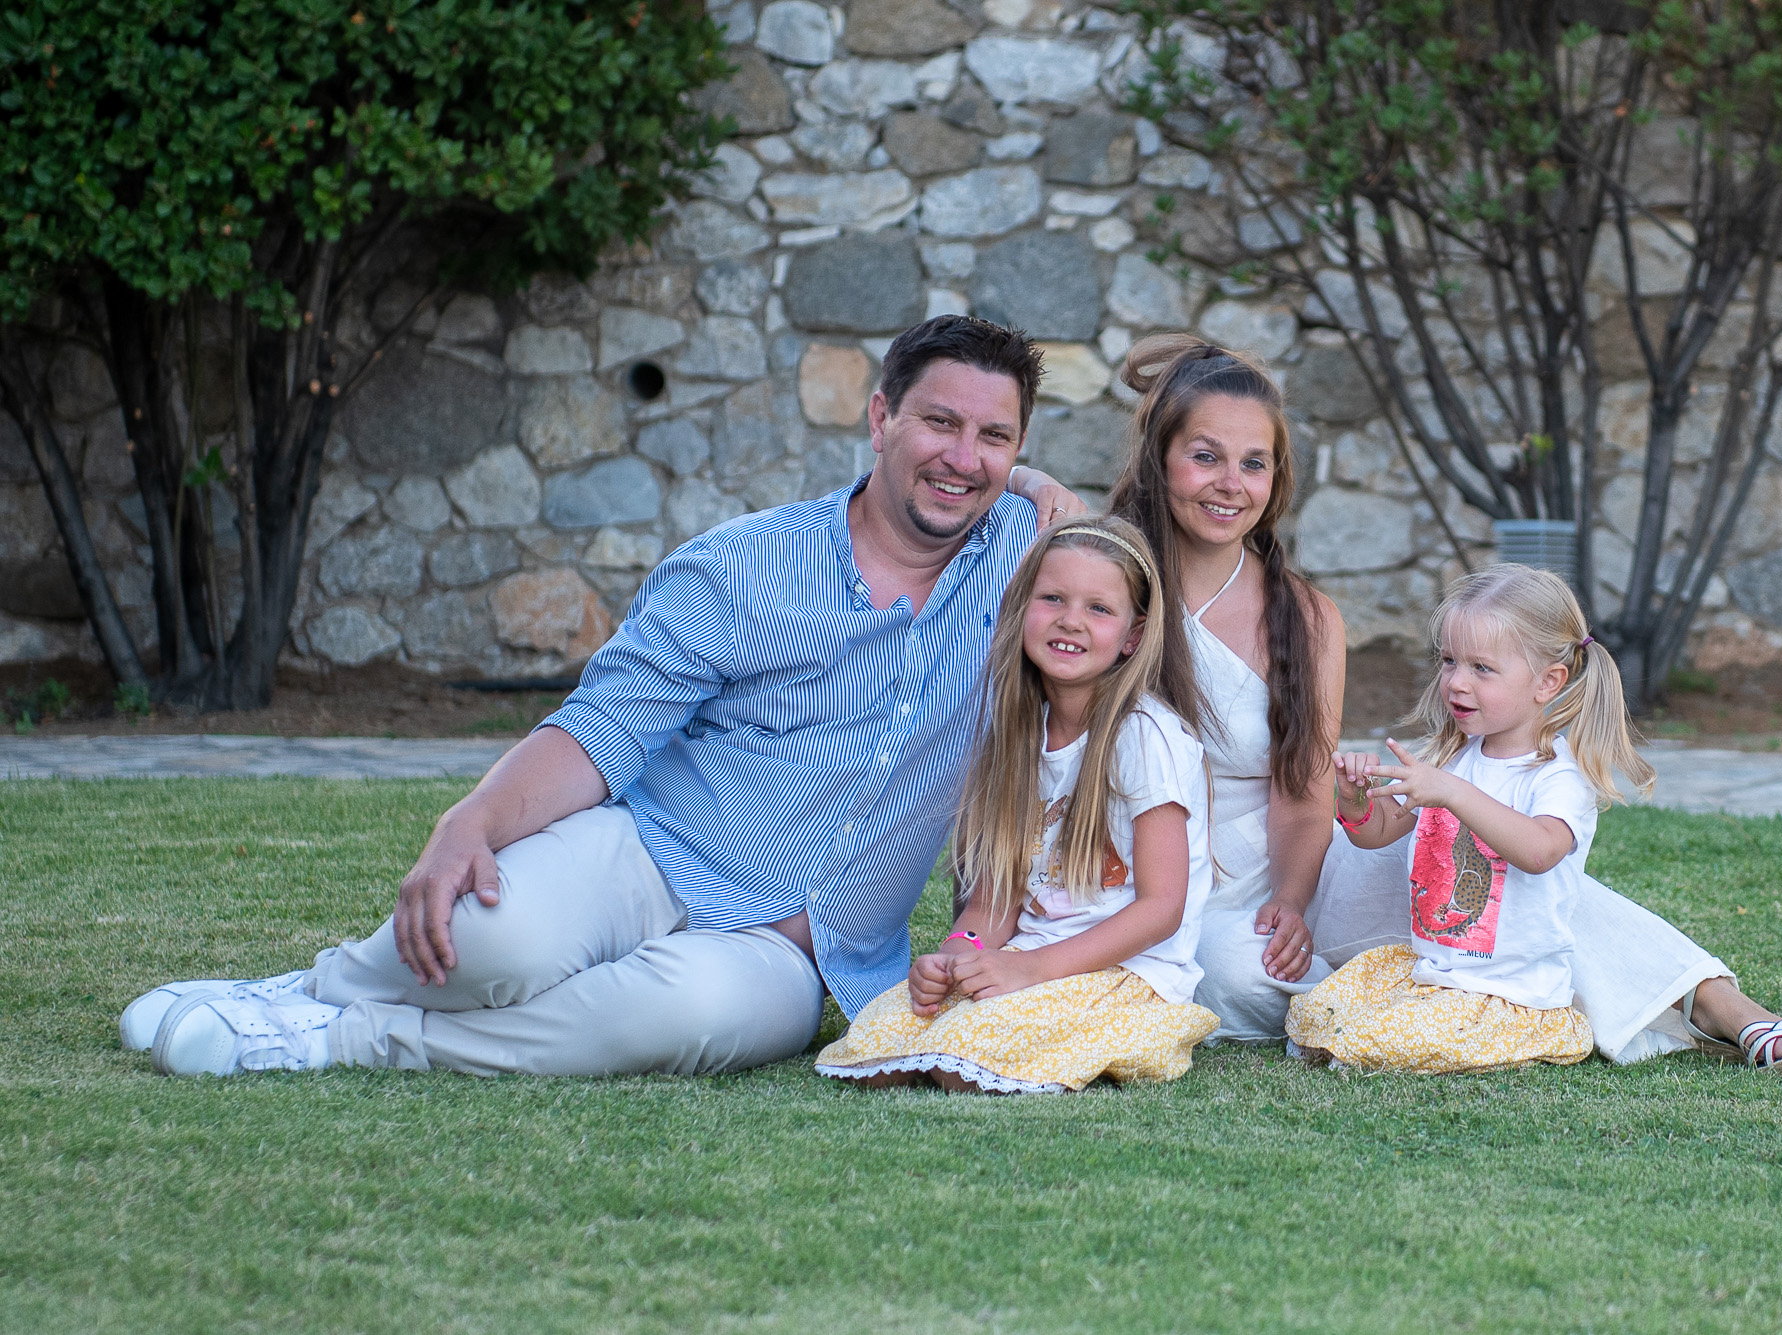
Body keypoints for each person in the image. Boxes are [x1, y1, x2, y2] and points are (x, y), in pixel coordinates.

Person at [127, 314, 1086, 1078]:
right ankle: (316, 987)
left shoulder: (1029, 565)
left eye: (994, 437)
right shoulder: (740, 566)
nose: (965, 455)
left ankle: (343, 1039)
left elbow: (1130, 574)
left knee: (689, 1017)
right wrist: (472, 820)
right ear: (879, 418)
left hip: (792, 952)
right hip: (652, 852)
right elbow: (601, 727)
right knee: (492, 941)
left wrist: (1046, 489)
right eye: (939, 422)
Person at [1288, 564, 1782, 1075]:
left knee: (1367, 1040)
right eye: (1449, 661)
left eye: (1482, 668)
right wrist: (1355, 801)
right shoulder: (1451, 759)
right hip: (1443, 978)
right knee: (1318, 1013)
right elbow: (1376, 833)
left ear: (1548, 682)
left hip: (1510, 996)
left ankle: (1643, 1017)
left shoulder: (1555, 775)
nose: (1455, 681)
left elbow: (1541, 851)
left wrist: (1451, 793)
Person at [817, 516, 1219, 1093]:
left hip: (1129, 976)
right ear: (1021, 606)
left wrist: (1029, 969)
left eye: (1099, 609)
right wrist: (959, 955)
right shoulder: (1016, 732)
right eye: (1052, 597)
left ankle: (1108, 1040)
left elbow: (1162, 908)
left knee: (959, 1067)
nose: (1070, 620)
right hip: (1031, 958)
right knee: (880, 1046)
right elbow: (995, 900)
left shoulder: (1145, 736)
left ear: (1133, 635)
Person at [1105, 335, 1408, 1044]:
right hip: (1143, 883)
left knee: (1498, 881)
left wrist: (1292, 902)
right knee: (1229, 976)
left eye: (1254, 463)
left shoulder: (1306, 616)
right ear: (1160, 458)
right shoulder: (1105, 582)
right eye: (1205, 456)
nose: (1230, 484)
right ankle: (1415, 998)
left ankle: (1703, 1001)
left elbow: (1306, 797)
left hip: (1280, 877)